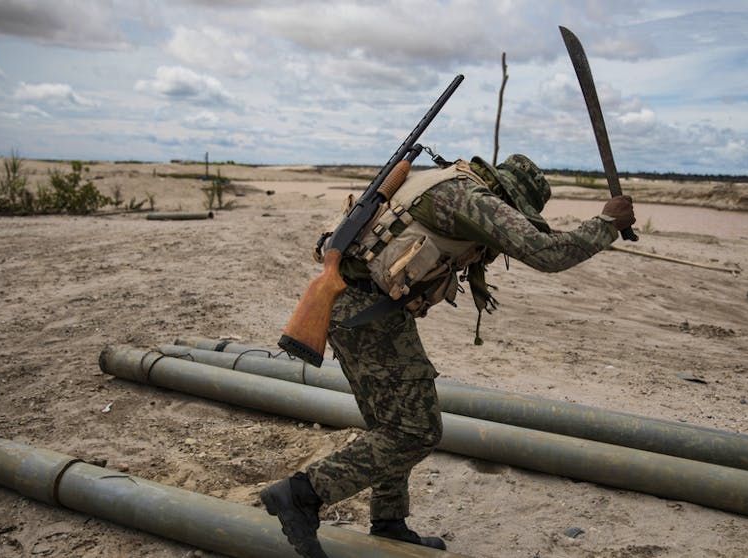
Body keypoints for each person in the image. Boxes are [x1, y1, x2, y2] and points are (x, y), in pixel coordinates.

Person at [260, 154, 635, 558]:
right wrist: (607, 223)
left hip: (356, 310)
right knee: (414, 432)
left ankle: (388, 522)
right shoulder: (473, 199)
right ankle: (303, 494)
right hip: (367, 317)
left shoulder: (440, 182)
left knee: (388, 425)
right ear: (509, 196)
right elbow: (548, 253)